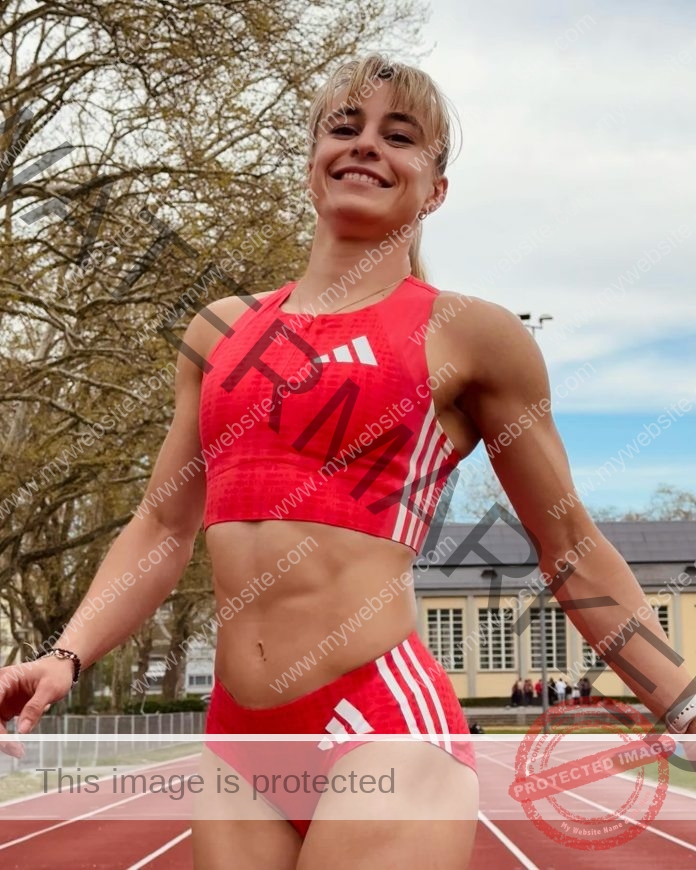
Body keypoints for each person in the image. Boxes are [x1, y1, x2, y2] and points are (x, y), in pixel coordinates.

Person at [2, 52, 696, 870]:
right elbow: (161, 523)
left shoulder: (471, 335)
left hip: (381, 718)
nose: (366, 144)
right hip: (240, 736)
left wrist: (682, 703)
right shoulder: (218, 333)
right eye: (345, 127)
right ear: (312, 166)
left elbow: (567, 542)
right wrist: (64, 654)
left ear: (434, 189)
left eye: (398, 136)